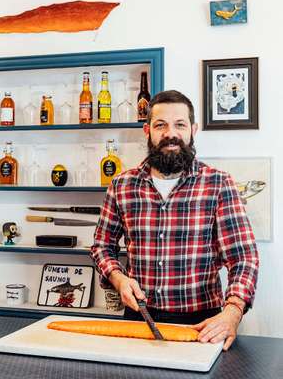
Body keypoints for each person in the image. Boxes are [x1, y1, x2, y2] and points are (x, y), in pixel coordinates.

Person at [90, 90, 259, 351]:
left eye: (179, 124)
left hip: (201, 324)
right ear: (147, 130)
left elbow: (244, 257)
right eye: (161, 125)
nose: (171, 133)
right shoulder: (121, 185)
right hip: (138, 319)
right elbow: (102, 247)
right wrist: (118, 278)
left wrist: (232, 313)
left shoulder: (219, 183)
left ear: (193, 129)